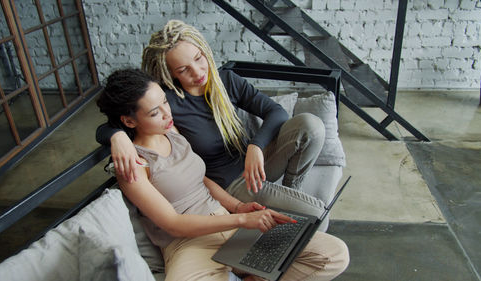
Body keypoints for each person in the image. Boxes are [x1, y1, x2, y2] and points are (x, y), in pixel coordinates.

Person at [96, 68, 349, 281]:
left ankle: (252, 275)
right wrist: (240, 221)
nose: (167, 112)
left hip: (224, 221)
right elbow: (172, 223)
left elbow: (201, 180)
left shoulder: (173, 133)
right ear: (129, 122)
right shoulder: (132, 165)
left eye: (164, 101)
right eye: (155, 112)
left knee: (334, 253)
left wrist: (238, 207)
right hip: (187, 244)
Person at [96, 20, 327, 199]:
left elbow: (276, 112)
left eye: (199, 58)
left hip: (257, 164)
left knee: (311, 126)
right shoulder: (168, 102)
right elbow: (110, 126)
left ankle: (293, 189)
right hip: (230, 186)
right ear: (170, 74)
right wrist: (117, 137)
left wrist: (256, 146)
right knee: (311, 214)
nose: (198, 72)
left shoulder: (225, 81)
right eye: (184, 69)